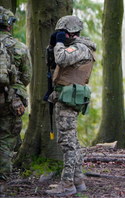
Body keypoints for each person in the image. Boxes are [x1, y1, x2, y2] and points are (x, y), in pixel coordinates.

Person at [45, 15, 97, 197]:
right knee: (72, 141)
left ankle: (67, 185)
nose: (60, 36)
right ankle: (78, 180)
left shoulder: (81, 48)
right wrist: (52, 46)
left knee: (67, 144)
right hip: (65, 97)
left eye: (62, 33)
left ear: (71, 33)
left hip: (68, 100)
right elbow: (52, 63)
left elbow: (60, 59)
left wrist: (58, 44)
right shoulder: (75, 47)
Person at [0, 7, 32, 197]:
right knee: (5, 140)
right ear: (9, 26)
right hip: (10, 101)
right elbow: (26, 77)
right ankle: (2, 186)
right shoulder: (19, 47)